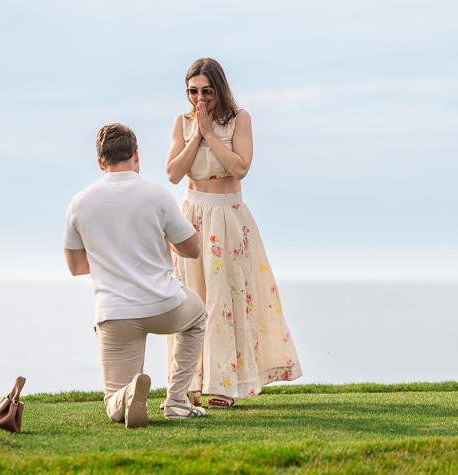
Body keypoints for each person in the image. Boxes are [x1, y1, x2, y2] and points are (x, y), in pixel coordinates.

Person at [165, 58, 301, 408]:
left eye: (206, 92)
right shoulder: (181, 123)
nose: (200, 99)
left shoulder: (240, 119)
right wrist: (196, 134)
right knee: (189, 299)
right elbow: (174, 173)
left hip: (228, 216)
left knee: (225, 299)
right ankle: (188, 384)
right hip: (192, 217)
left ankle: (225, 385)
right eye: (193, 92)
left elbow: (240, 167)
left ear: (219, 89)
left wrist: (211, 133)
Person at [64, 123, 208, 427]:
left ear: (101, 162)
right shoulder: (158, 195)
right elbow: (192, 249)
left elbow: (76, 266)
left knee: (112, 404)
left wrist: (113, 259)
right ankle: (176, 400)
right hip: (165, 306)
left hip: (115, 314)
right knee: (197, 317)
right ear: (136, 154)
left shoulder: (79, 203)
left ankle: (129, 394)